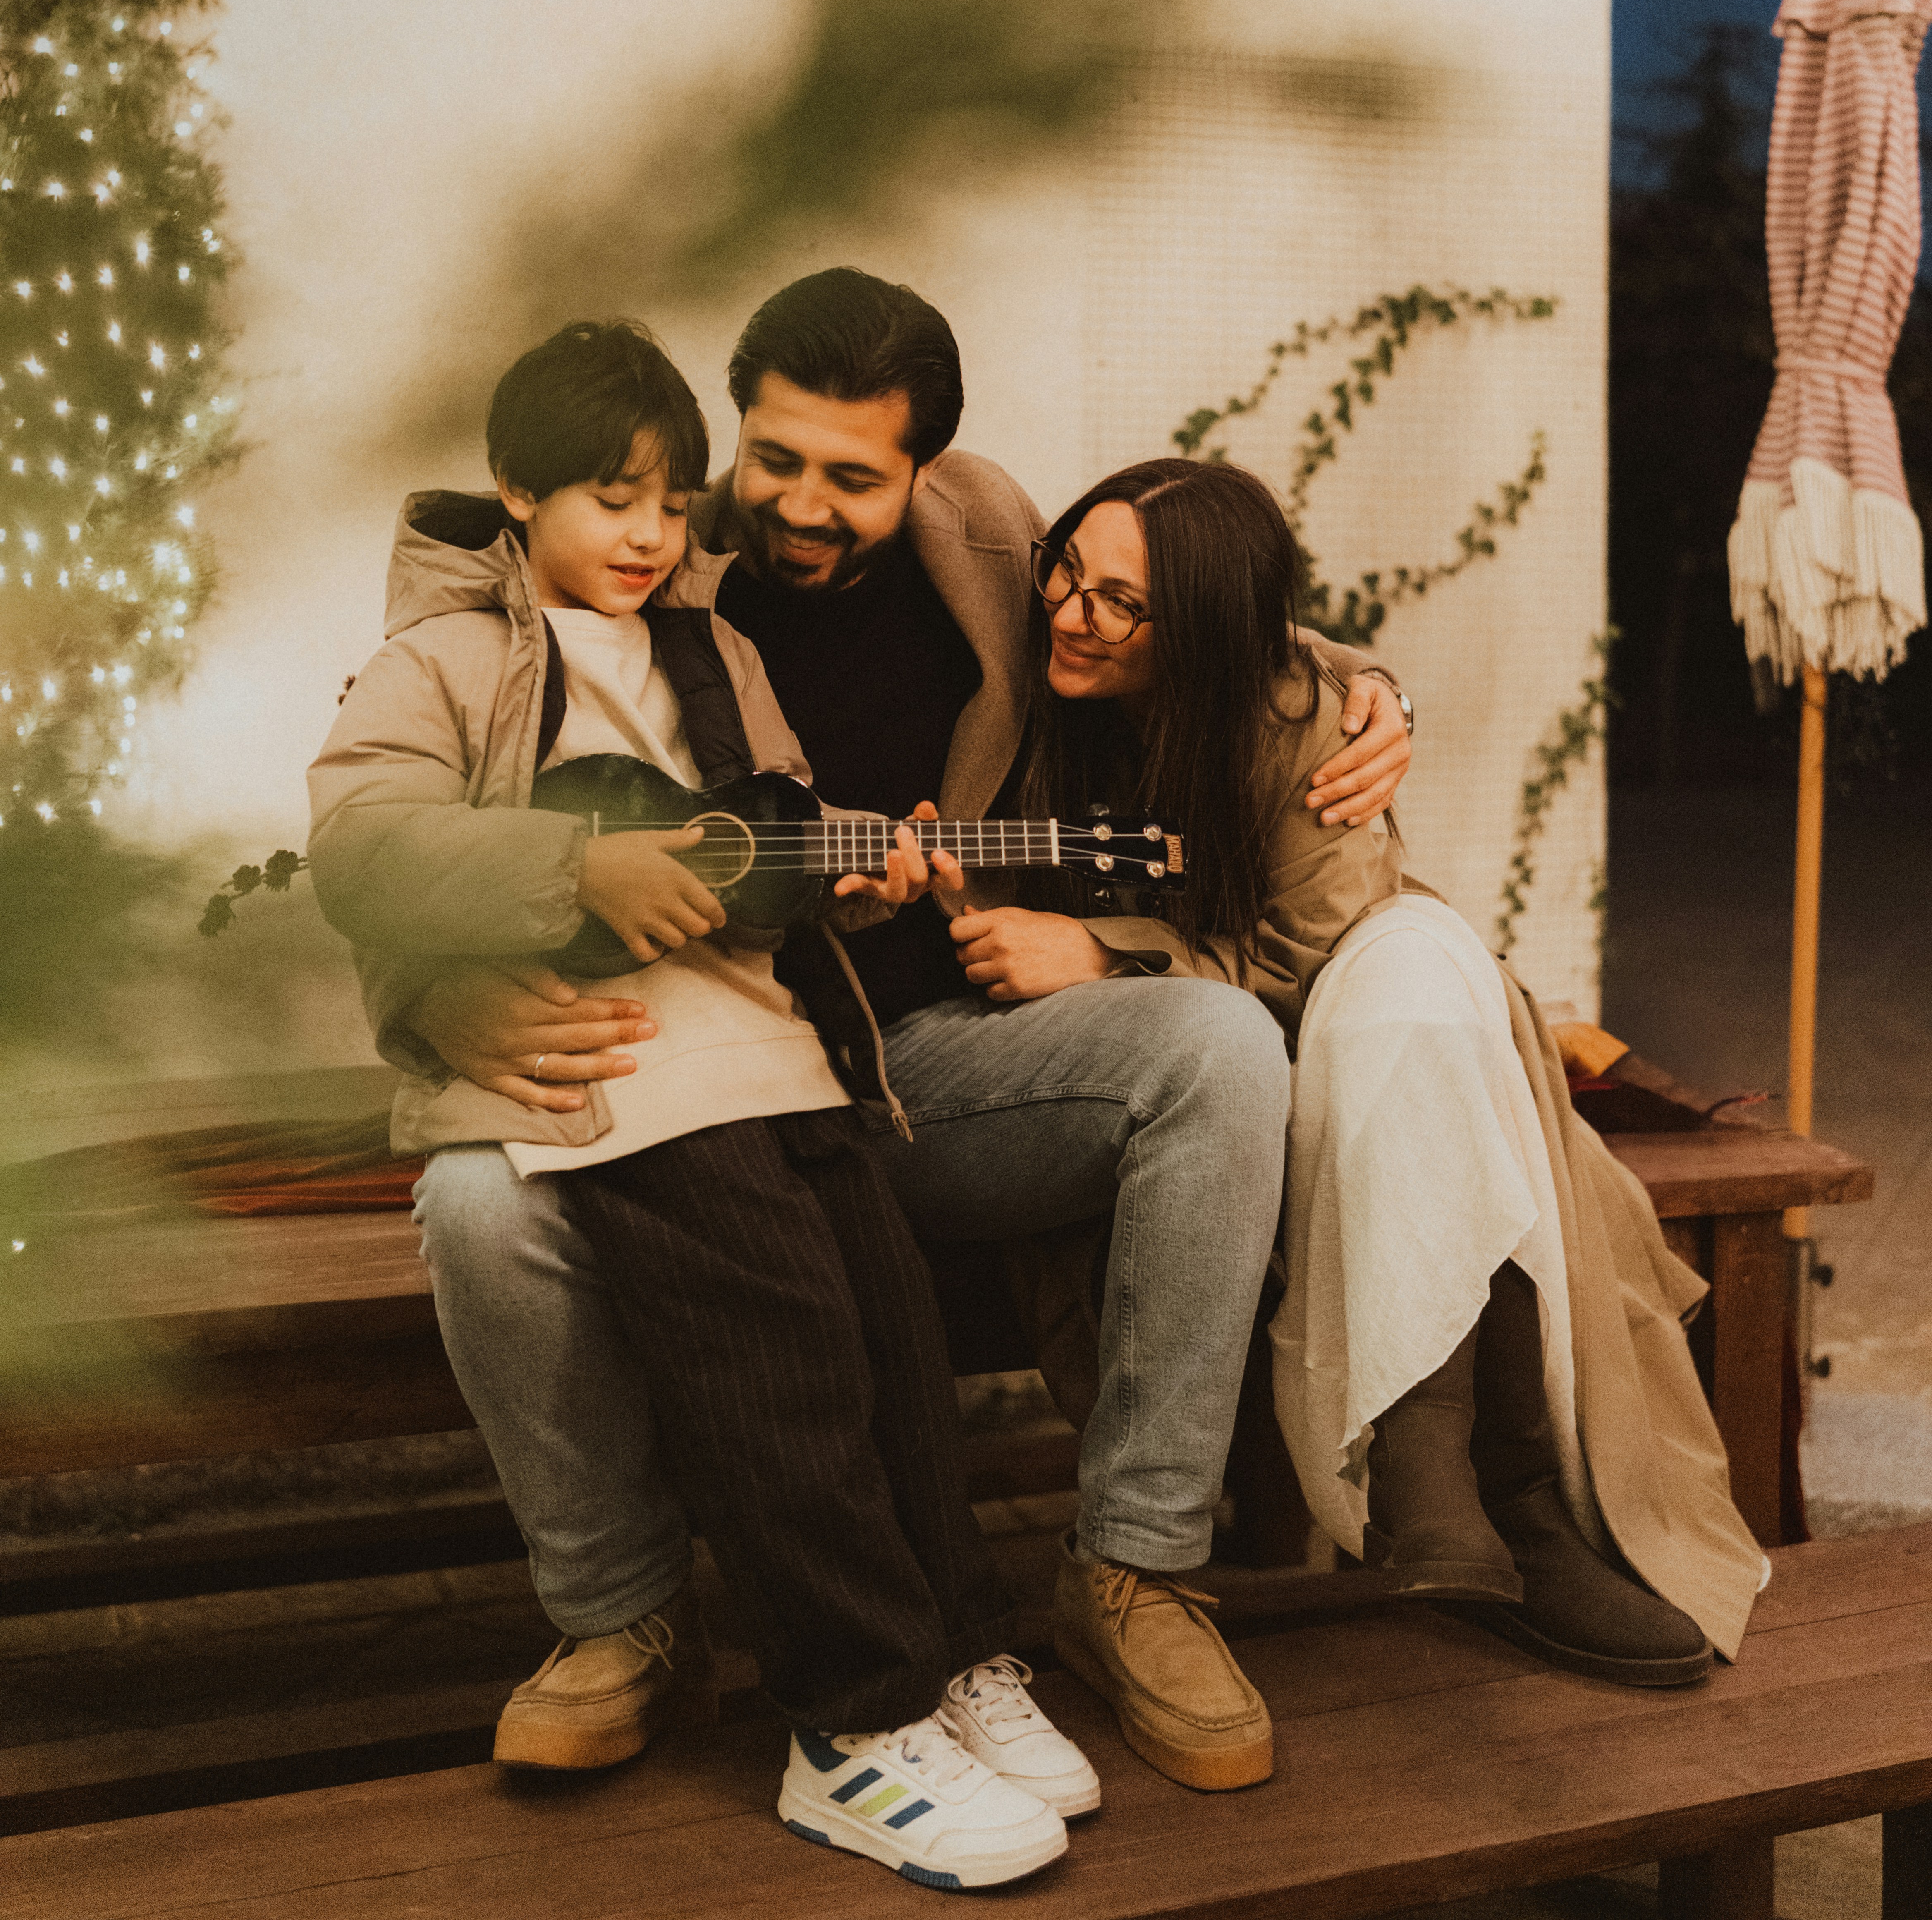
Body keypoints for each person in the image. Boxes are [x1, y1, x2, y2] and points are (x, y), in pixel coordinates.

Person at [393, 270, 1417, 1795]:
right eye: (775, 460)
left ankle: (1134, 1570)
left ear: (924, 470)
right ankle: (621, 1618)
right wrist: (430, 994)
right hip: (668, 1055)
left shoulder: (987, 539)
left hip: (922, 1066)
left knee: (1218, 1046)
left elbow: (1189, 602)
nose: (802, 507)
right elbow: (392, 810)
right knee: (477, 1202)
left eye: (854, 478)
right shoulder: (624, 538)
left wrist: (1353, 688)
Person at [307, 319, 1094, 1892]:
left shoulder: (711, 652)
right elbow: (362, 849)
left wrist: (857, 877)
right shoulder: (440, 662)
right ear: (516, 490)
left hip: (778, 1059)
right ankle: (851, 1723)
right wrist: (572, 867)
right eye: (612, 501)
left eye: (672, 505)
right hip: (627, 1071)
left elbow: (768, 845)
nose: (651, 536)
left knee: (887, 1332)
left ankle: (950, 1651)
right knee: (778, 1365)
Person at [862, 456, 1765, 1698]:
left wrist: (1105, 950)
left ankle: (1472, 1487)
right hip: (1173, 1092)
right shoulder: (1030, 671)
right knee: (1409, 1002)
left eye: (1123, 604)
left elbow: (1306, 954)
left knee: (1414, 966)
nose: (1073, 612)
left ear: (1207, 632)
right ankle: (1483, 1495)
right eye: (1067, 573)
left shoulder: (1297, 727)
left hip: (1335, 1043)